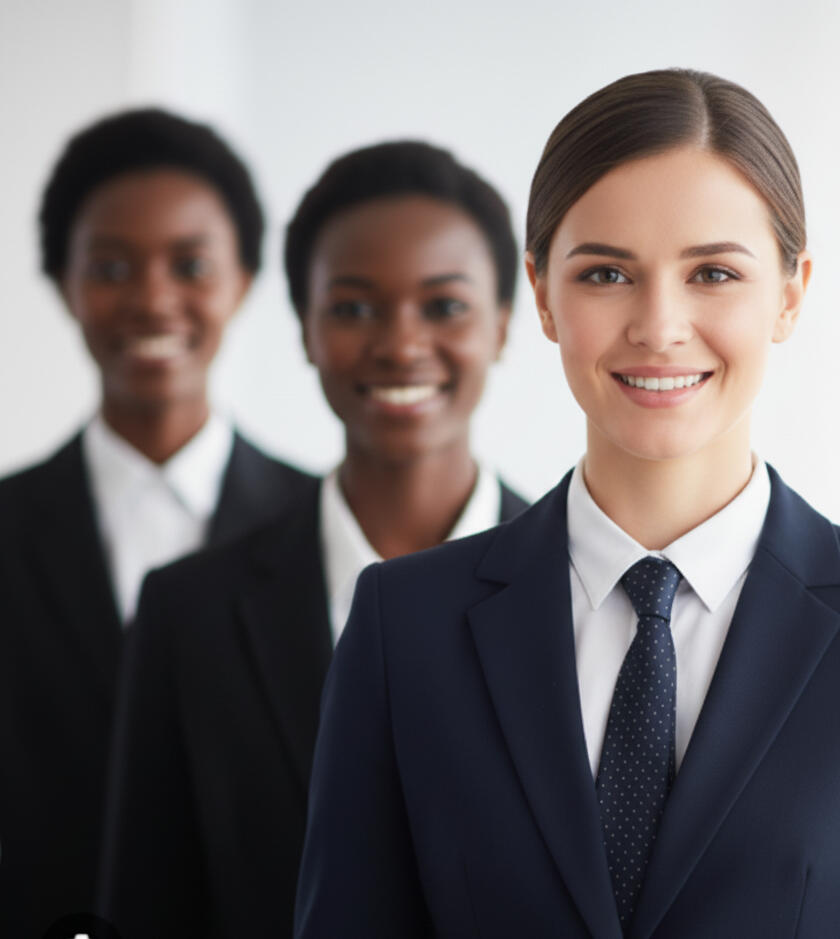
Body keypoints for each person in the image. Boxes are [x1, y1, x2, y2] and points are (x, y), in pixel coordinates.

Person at [294, 70, 840, 938]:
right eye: (607, 274)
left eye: (712, 272)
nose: (660, 325)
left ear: (791, 291)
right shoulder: (406, 624)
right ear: (542, 293)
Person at [97, 140, 528, 939]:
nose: (401, 344)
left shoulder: (588, 585)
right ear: (304, 329)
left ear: (502, 324)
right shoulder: (189, 612)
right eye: (354, 308)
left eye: (444, 306)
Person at [0, 108, 315, 937]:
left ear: (244, 279)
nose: (151, 299)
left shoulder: (325, 525)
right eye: (110, 265)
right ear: (63, 283)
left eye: (190, 263)